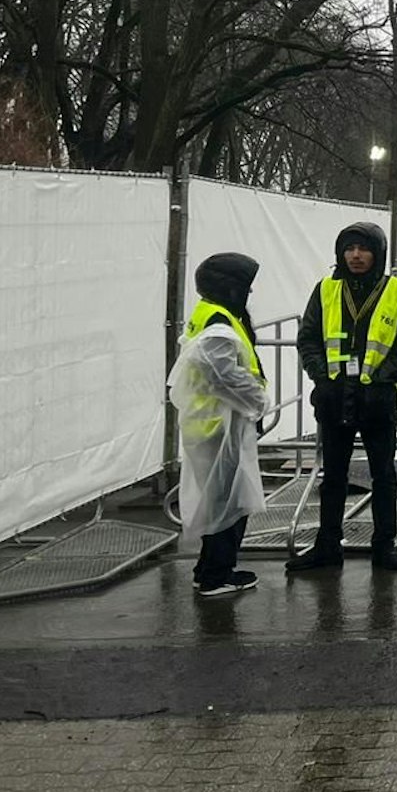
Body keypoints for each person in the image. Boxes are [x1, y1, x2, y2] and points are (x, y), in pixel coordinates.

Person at [288, 222, 397, 573]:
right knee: (333, 478)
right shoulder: (326, 290)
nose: (356, 255)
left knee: (383, 476)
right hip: (334, 398)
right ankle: (327, 546)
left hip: (377, 401)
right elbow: (309, 340)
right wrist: (323, 378)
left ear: (377, 253)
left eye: (363, 249)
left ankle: (384, 547)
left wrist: (381, 381)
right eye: (349, 249)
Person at [170, 253, 269, 597]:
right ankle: (217, 574)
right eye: (245, 286)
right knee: (230, 503)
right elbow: (222, 372)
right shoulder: (219, 325)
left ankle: (208, 568)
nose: (249, 293)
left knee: (218, 501)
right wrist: (258, 400)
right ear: (230, 288)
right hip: (219, 426)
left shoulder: (209, 314)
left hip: (208, 424)